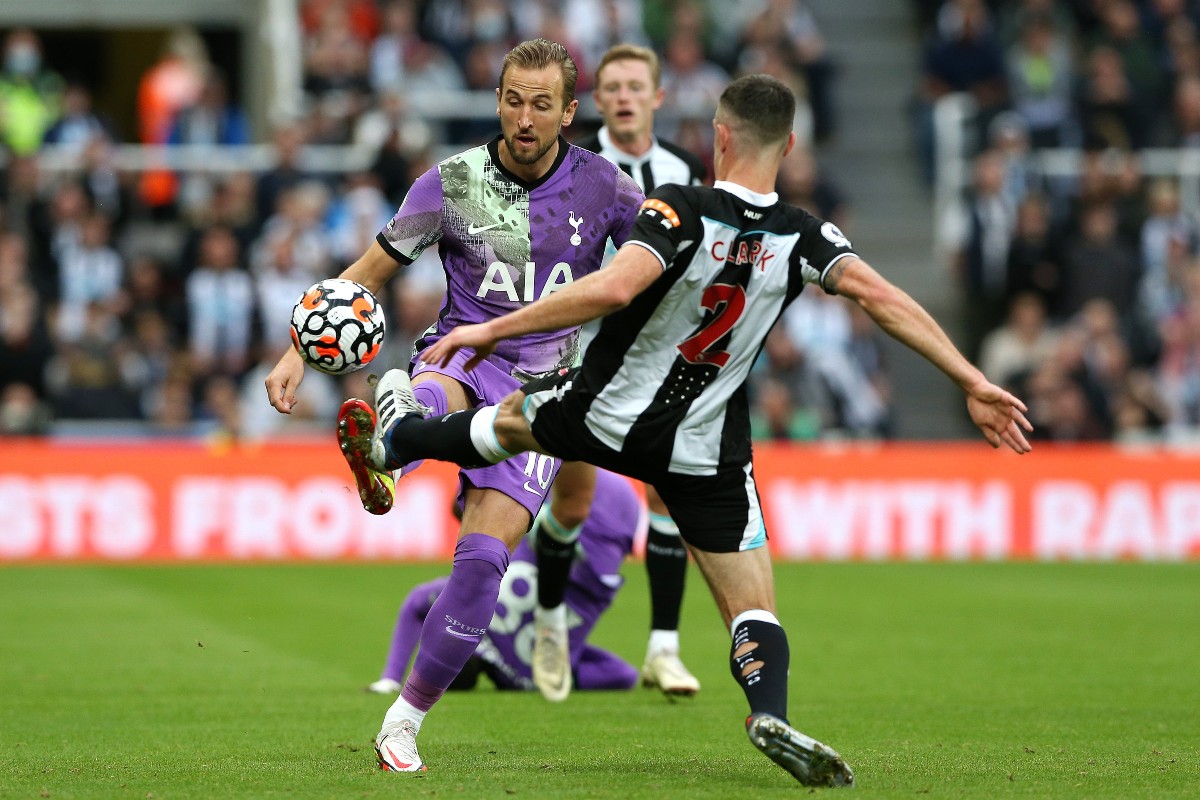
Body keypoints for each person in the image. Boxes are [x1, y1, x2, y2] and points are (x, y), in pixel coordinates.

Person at [346, 74, 1034, 785]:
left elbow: (614, 288)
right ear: (790, 146)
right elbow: (882, 298)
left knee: (514, 423)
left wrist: (494, 327)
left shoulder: (680, 208)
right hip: (705, 446)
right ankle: (770, 711)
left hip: (610, 413)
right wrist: (972, 381)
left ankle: (401, 438)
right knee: (752, 605)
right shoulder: (805, 234)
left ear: (720, 137)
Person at [264, 38, 645, 768]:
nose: (525, 118)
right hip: (460, 356)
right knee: (428, 392)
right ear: (497, 100)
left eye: (542, 104)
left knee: (480, 567)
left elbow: (649, 273)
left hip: (543, 397)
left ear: (569, 111)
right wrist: (296, 354)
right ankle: (389, 451)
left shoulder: (608, 189)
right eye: (513, 100)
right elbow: (368, 273)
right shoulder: (451, 183)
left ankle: (403, 723)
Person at [559, 43, 708, 699]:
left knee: (666, 491)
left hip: (658, 349)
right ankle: (547, 627)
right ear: (598, 101)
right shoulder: (572, 167)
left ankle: (664, 648)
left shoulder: (684, 168)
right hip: (576, 346)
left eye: (634, 86)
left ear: (657, 97)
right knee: (572, 495)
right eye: (612, 86)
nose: (623, 96)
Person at [367, 469, 642, 696]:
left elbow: (621, 674)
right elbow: (418, 601)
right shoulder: (471, 613)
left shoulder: (523, 680)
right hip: (583, 525)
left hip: (599, 558)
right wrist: (390, 679)